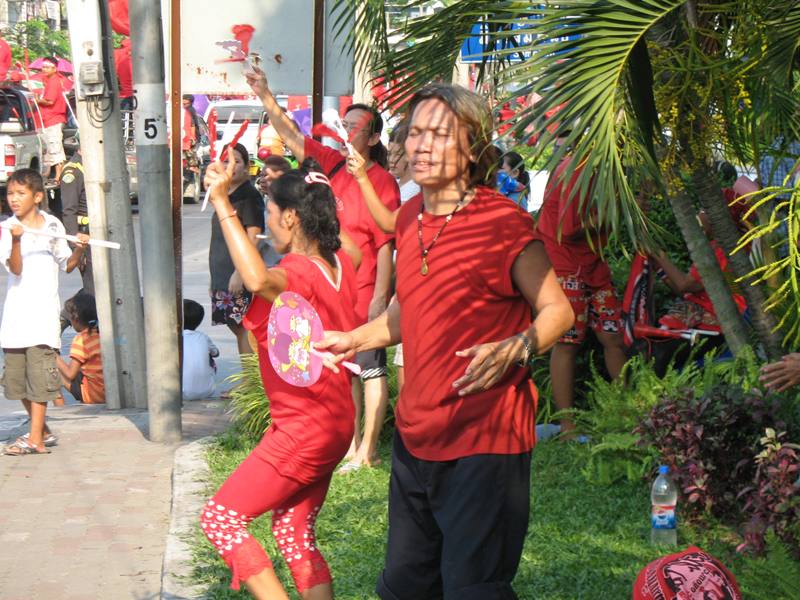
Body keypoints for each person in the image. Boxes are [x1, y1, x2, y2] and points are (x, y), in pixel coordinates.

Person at [316, 83, 574, 600]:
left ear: (474, 149)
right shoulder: (410, 217)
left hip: (485, 442)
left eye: (440, 135)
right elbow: (407, 312)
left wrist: (518, 346)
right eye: (415, 133)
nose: (423, 146)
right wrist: (353, 338)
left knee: (473, 589)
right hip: (416, 436)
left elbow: (558, 311)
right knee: (405, 586)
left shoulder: (503, 222)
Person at [200, 151, 361, 599]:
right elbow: (356, 246)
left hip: (303, 429)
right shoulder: (340, 264)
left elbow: (255, 280)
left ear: (291, 217)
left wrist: (222, 203)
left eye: (270, 213)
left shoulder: (297, 271)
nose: (268, 225)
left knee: (221, 518)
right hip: (334, 423)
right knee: (294, 530)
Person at [246, 64, 401, 471]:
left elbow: (386, 243)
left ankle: (368, 448)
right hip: (336, 283)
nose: (345, 131)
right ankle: (348, 446)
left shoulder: (382, 180)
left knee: (370, 368)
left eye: (355, 127)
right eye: (344, 123)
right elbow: (293, 136)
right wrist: (266, 95)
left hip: (367, 286)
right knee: (342, 367)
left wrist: (380, 299)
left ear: (372, 137)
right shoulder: (329, 162)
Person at [534, 147, 628, 436]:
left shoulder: (608, 173)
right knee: (567, 342)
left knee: (613, 336)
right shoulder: (573, 171)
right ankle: (567, 426)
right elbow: (569, 227)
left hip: (594, 267)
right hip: (565, 267)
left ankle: (628, 413)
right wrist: (614, 212)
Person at [1, 169, 88, 455]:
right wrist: (16, 240)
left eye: (20, 193)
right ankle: (43, 431)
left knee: (39, 381)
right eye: (10, 193)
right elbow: (15, 268)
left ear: (38, 196)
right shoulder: (7, 228)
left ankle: (35, 439)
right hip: (15, 319)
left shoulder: (52, 225)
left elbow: (67, 264)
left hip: (42, 318)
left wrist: (79, 249)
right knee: (15, 383)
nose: (14, 199)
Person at [208, 142, 264, 357]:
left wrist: (240, 272)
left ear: (247, 166)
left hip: (236, 273)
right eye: (225, 161)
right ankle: (247, 382)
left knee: (244, 327)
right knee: (235, 326)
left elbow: (254, 235)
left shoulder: (248, 196)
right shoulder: (225, 195)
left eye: (236, 162)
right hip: (222, 274)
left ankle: (249, 383)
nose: (229, 166)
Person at [56, 293, 104, 404]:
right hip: (109, 393)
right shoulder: (101, 334)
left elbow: (70, 374)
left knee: (52, 369)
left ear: (75, 319)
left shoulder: (81, 339)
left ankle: (60, 409)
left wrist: (54, 356)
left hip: (92, 395)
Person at [34, 57, 68, 182]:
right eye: (43, 67)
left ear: (54, 68)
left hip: (53, 118)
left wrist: (37, 100)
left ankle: (59, 176)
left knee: (55, 147)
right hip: (45, 120)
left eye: (47, 67)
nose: (44, 69)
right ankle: (47, 175)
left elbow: (50, 101)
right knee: (46, 149)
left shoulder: (54, 81)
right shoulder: (47, 81)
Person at [182, 299, 219, 401]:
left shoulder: (174, 338)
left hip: (181, 393)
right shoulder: (203, 337)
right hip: (208, 391)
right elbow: (215, 353)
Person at [114, 38, 134, 110]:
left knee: (123, 119)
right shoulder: (135, 56)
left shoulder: (116, 54)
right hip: (137, 94)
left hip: (122, 96)